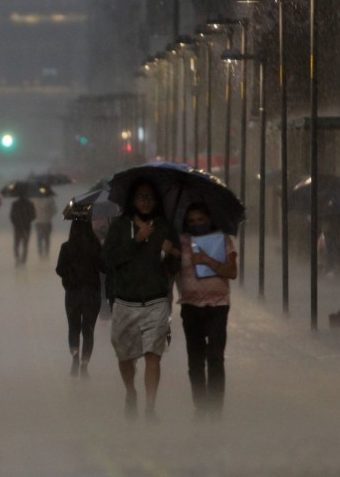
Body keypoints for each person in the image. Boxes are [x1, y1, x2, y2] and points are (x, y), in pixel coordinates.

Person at [104, 179, 180, 421]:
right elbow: (109, 260)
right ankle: (130, 392)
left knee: (153, 354)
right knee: (125, 356)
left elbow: (174, 266)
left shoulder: (165, 227)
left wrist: (171, 254)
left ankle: (150, 407)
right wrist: (136, 240)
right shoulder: (119, 226)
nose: (145, 202)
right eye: (140, 197)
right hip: (126, 301)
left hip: (156, 301)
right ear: (132, 201)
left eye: (150, 197)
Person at [176, 202, 237, 421]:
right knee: (195, 359)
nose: (197, 224)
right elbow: (170, 269)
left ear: (209, 219)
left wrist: (206, 260)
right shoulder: (180, 242)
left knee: (215, 358)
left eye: (201, 220)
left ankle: (215, 409)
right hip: (190, 306)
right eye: (192, 221)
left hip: (218, 305)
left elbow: (231, 272)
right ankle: (200, 407)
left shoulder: (222, 240)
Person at [55, 219, 106, 378]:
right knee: (88, 329)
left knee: (74, 327)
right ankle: (85, 364)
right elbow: (104, 267)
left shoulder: (66, 247)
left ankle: (75, 356)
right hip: (92, 293)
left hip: (73, 292)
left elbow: (59, 269)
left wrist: (71, 276)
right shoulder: (95, 245)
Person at [10, 195, 36, 266]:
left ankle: (17, 258)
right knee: (25, 245)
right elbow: (34, 216)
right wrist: (27, 220)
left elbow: (11, 216)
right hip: (26, 227)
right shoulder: (30, 204)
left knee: (16, 244)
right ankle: (23, 260)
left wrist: (15, 223)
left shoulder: (15, 204)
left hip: (17, 227)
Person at [33, 195, 57, 259]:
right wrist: (49, 215)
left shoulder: (35, 199)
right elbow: (54, 211)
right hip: (47, 221)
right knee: (47, 239)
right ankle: (46, 254)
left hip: (38, 222)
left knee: (39, 239)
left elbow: (32, 210)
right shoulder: (50, 199)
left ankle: (40, 254)